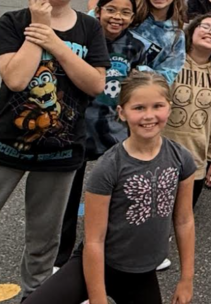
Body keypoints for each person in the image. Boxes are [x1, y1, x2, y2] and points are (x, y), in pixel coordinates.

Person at [24, 71, 196, 304]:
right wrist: (97, 298)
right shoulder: (109, 166)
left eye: (157, 106)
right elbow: (94, 240)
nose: (149, 115)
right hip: (97, 264)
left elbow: (184, 220)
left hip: (140, 274)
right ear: (122, 113)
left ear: (169, 107)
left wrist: (186, 279)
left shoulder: (181, 158)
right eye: (138, 108)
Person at [0, 0, 108, 298]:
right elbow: (15, 79)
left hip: (60, 150)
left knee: (44, 237)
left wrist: (56, 45)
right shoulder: (12, 23)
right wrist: (39, 29)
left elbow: (95, 84)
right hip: (5, 143)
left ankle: (35, 295)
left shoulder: (90, 28)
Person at [56, 0, 146, 269]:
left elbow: (138, 88)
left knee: (121, 194)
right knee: (67, 198)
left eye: (125, 12)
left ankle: (118, 251)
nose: (117, 17)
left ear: (133, 17)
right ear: (99, 10)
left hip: (114, 130)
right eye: (111, 9)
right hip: (76, 127)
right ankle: (61, 256)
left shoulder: (136, 45)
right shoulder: (82, 36)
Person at [165, 14, 211, 204]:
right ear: (191, 31)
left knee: (183, 220)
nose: (210, 32)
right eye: (205, 27)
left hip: (194, 162)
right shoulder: (169, 62)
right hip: (157, 157)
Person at [129, 0, 188, 87]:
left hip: (138, 93)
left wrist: (138, 70)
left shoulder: (176, 36)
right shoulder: (130, 16)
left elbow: (167, 76)